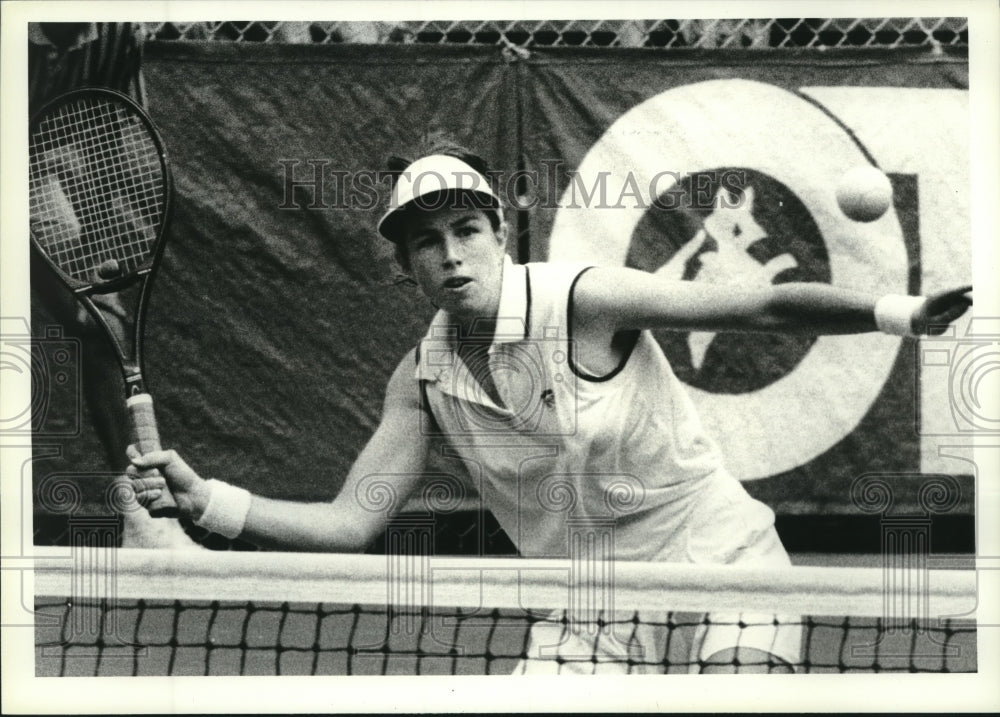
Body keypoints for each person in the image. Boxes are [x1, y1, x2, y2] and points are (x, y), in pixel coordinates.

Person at [128, 143, 973, 673]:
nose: (451, 253)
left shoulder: (583, 301)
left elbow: (761, 305)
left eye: (467, 230)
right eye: (427, 242)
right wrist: (209, 501)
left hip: (721, 561)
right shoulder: (422, 381)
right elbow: (353, 522)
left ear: (500, 235)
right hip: (586, 607)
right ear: (405, 267)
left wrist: (897, 311)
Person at [30, 22, 196, 549]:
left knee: (104, 325)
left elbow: (109, 132)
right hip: (30, 163)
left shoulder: (118, 31)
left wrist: (98, 250)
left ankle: (145, 517)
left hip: (35, 172)